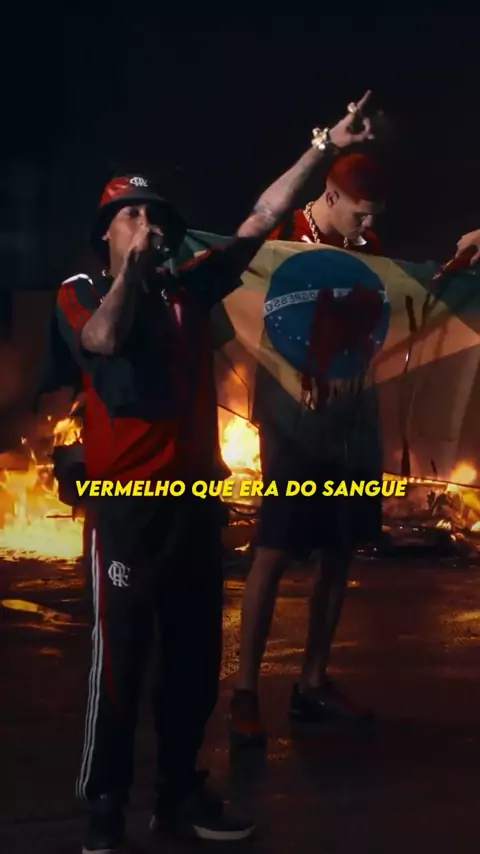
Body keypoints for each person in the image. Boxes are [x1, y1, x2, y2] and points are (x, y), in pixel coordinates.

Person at [56, 92, 375, 854]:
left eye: (155, 216)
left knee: (194, 662)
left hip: (194, 505)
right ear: (106, 232)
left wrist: (326, 146)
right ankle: (105, 808)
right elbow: (102, 342)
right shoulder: (83, 292)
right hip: (127, 511)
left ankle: (178, 796)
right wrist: (133, 273)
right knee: (120, 665)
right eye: (132, 216)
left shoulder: (190, 287)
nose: (148, 225)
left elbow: (262, 217)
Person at [230, 152, 388, 747]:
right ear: (331, 196)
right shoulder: (283, 234)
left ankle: (313, 683)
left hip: (351, 418)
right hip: (291, 419)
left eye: (374, 217)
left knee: (340, 549)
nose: (366, 226)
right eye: (359, 214)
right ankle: (245, 691)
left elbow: (381, 316)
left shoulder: (369, 247)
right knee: (274, 549)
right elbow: (247, 305)